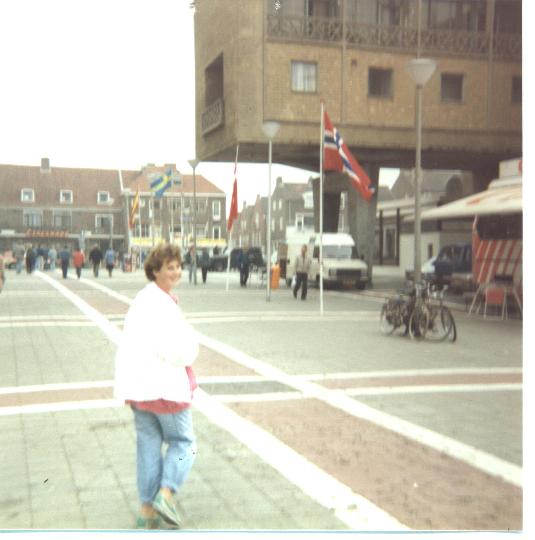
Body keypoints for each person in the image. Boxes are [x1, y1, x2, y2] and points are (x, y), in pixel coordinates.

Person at [114, 244, 198, 530]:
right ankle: (166, 493)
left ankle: (146, 511)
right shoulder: (162, 305)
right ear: (155, 271)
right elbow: (176, 350)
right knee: (185, 443)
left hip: (139, 390)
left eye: (178, 266)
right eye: (169, 267)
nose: (176, 272)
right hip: (164, 389)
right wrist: (192, 348)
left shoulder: (142, 299)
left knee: (148, 448)